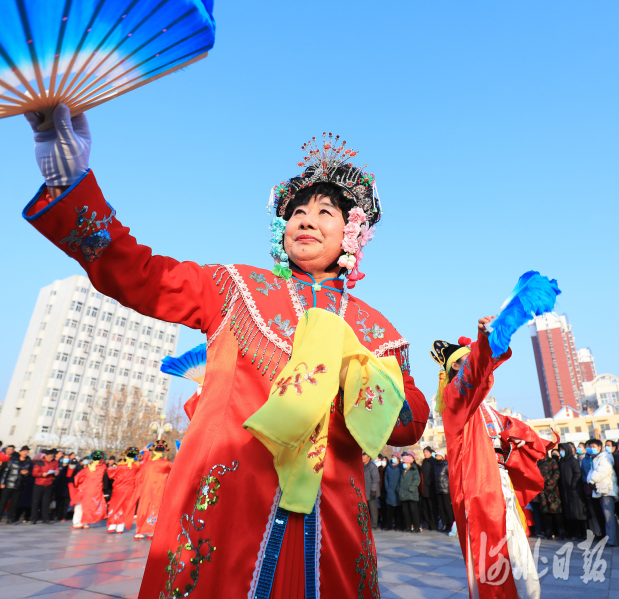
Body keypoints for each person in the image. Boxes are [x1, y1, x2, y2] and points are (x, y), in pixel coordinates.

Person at [23, 110, 429, 597]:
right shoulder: (237, 289)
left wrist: (357, 377)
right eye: (298, 211)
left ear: (353, 232)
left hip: (334, 528)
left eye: (325, 212)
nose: (306, 219)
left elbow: (409, 424)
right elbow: (140, 275)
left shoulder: (375, 329)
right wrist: (68, 181)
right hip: (224, 512)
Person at [432, 327, 553, 599]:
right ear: (453, 372)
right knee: (489, 559)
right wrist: (485, 342)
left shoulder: (487, 409)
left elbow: (512, 428)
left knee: (521, 558)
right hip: (479, 490)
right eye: (463, 362)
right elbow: (476, 372)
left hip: (501, 486)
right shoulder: (455, 400)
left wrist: (518, 440)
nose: (470, 364)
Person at [133, 440, 173, 540]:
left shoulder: (147, 464)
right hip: (159, 490)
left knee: (145, 507)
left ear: (153, 451)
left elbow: (138, 476)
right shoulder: (167, 464)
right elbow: (177, 471)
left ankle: (141, 531)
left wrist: (146, 453)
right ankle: (151, 530)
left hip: (147, 490)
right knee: (154, 508)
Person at [587, 437, 619, 546]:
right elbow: (591, 472)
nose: (591, 449)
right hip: (600, 490)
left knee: (609, 516)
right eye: (590, 447)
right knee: (609, 517)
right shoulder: (596, 458)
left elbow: (601, 471)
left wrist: (591, 480)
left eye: (594, 447)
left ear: (599, 447)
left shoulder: (605, 457)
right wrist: (590, 480)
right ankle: (617, 538)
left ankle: (611, 540)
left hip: (606, 490)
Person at [0, 446, 31, 525]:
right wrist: (2, 483)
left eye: (26, 451)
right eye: (23, 451)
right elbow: (5, 472)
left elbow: (30, 473)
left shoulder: (28, 462)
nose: (25, 453)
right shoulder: (13, 460)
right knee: (2, 503)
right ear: (20, 452)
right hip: (9, 484)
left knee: (14, 503)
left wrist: (27, 473)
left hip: (19, 485)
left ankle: (10, 519)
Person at [107, 446, 140, 534]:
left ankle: (112, 525)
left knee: (115, 506)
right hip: (129, 490)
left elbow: (110, 473)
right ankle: (120, 527)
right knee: (125, 507)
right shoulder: (136, 467)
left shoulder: (119, 467)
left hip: (118, 490)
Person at [557, 442, 587, 540]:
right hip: (565, 491)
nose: (561, 452)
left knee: (578, 512)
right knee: (569, 512)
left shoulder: (572, 461)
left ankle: (582, 532)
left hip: (574, 491)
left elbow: (577, 473)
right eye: (560, 450)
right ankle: (573, 532)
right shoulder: (561, 462)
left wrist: (573, 485)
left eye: (563, 450)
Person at [72, 450, 107, 530]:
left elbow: (77, 478)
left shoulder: (87, 470)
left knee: (80, 506)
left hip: (86, 490)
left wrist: (78, 485)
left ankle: (78, 523)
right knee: (90, 506)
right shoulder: (102, 469)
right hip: (96, 491)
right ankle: (86, 523)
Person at [537, 453, 563, 539]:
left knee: (556, 511)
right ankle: (548, 532)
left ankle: (560, 532)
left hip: (553, 490)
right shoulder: (538, 463)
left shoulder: (552, 461)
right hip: (542, 490)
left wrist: (551, 482)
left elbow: (557, 473)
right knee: (545, 511)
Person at [31, 449, 59, 524]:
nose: (51, 458)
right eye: (49, 457)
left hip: (48, 484)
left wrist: (56, 472)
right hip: (39, 484)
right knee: (36, 502)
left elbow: (57, 469)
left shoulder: (54, 462)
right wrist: (41, 474)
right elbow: (34, 473)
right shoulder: (40, 462)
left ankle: (45, 519)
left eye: (52, 457)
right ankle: (33, 518)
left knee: (46, 502)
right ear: (45, 456)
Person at [398, 453, 421, 532]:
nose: (403, 464)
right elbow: (400, 481)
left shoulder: (414, 470)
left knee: (414, 511)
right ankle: (408, 527)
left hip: (411, 494)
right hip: (404, 494)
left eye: (404, 462)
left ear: (408, 463)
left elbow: (417, 480)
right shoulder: (402, 471)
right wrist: (399, 489)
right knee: (406, 512)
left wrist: (411, 488)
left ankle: (416, 527)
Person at [55, 456, 82, 522]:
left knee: (66, 504)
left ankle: (63, 516)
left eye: (73, 464)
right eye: (71, 464)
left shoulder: (77, 471)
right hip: (61, 489)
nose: (72, 465)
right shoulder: (64, 470)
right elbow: (59, 479)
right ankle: (55, 515)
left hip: (70, 490)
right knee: (58, 504)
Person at [433, 451, 454, 533]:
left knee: (447, 508)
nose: (437, 457)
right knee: (441, 509)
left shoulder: (446, 465)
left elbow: (450, 477)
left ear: (442, 457)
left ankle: (450, 524)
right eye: (436, 456)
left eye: (438, 456)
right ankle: (444, 524)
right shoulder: (435, 465)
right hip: (438, 490)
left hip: (446, 490)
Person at [420, 446, 438, 532]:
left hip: (431, 488)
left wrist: (429, 482)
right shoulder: (423, 462)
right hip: (424, 488)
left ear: (430, 453)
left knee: (432, 507)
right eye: (424, 452)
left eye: (426, 452)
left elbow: (434, 473)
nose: (425, 453)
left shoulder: (433, 462)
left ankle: (434, 525)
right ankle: (427, 524)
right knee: (425, 508)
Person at [384, 451, 404, 531]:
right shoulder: (388, 467)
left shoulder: (401, 467)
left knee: (398, 509)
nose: (393, 459)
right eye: (392, 457)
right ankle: (389, 526)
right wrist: (387, 487)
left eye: (395, 457)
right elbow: (385, 478)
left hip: (398, 490)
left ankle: (398, 525)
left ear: (398, 459)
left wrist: (400, 487)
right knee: (389, 509)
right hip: (390, 490)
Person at [361, 451, 380, 530]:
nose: (362, 457)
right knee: (363, 510)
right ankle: (364, 524)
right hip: (363, 491)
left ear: (369, 457)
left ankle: (374, 525)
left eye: (364, 456)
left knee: (373, 510)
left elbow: (376, 480)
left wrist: (373, 491)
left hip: (371, 492)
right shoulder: (361, 466)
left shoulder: (372, 466)